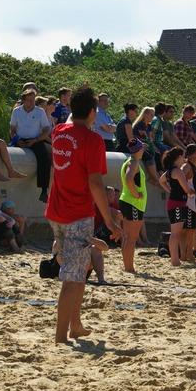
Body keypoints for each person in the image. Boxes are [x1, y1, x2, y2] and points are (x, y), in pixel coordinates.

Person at [44, 86, 120, 344]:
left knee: (80, 267)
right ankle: (60, 336)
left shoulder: (58, 132)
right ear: (93, 112)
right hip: (76, 213)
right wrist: (109, 221)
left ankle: (75, 325)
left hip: (57, 211)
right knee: (72, 276)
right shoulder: (92, 140)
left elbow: (57, 170)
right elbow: (95, 183)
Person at [9, 87, 52, 201]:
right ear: (24, 100)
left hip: (35, 140)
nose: (31, 102)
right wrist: (16, 140)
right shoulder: (17, 111)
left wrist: (36, 139)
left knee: (45, 158)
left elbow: (46, 129)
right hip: (19, 139)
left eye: (33, 100)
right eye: (28, 100)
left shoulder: (40, 112)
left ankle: (44, 190)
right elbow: (12, 129)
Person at [158, 147, 196, 266]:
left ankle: (175, 259)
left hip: (175, 203)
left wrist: (170, 190)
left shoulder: (170, 171)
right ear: (178, 157)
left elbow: (161, 181)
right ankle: (174, 259)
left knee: (176, 233)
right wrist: (192, 192)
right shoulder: (178, 171)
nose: (184, 158)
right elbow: (186, 189)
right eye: (183, 156)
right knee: (175, 233)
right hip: (177, 204)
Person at [119, 138, 147, 273]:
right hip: (133, 203)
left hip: (128, 202)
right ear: (138, 149)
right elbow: (129, 178)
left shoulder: (129, 161)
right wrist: (136, 194)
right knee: (132, 237)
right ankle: (129, 267)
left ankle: (127, 266)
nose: (144, 149)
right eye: (142, 147)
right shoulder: (133, 162)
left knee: (127, 236)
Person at [132, 106, 161, 187]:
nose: (152, 117)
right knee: (148, 155)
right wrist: (148, 145)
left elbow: (150, 139)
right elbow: (141, 138)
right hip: (138, 146)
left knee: (158, 153)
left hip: (146, 146)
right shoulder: (140, 125)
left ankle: (158, 175)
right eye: (151, 115)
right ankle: (154, 178)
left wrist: (154, 147)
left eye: (153, 115)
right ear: (145, 115)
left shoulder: (149, 126)